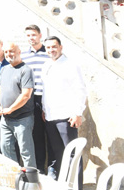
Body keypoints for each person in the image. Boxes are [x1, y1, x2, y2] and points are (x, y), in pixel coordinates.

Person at [43, 36, 86, 188]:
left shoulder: (71, 65)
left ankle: (76, 187)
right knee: (59, 154)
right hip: (50, 117)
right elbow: (46, 91)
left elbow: (80, 90)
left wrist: (77, 113)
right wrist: (44, 109)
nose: (51, 50)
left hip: (67, 117)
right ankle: (64, 186)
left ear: (61, 47)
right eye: (48, 47)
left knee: (73, 154)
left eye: (54, 47)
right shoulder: (46, 65)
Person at [0, 42, 36, 168]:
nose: (9, 54)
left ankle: (31, 178)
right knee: (5, 148)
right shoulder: (4, 69)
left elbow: (26, 95)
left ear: (19, 52)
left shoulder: (26, 70)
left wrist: (11, 109)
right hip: (5, 119)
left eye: (11, 51)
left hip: (22, 119)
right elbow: (0, 89)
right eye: (6, 52)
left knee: (26, 151)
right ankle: (13, 174)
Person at [23, 24, 51, 172]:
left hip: (47, 98)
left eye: (33, 35)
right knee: (37, 135)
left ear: (40, 35)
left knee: (51, 135)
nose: (31, 38)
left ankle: (53, 169)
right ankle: (40, 169)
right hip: (31, 99)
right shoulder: (24, 55)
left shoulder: (49, 53)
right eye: (28, 35)